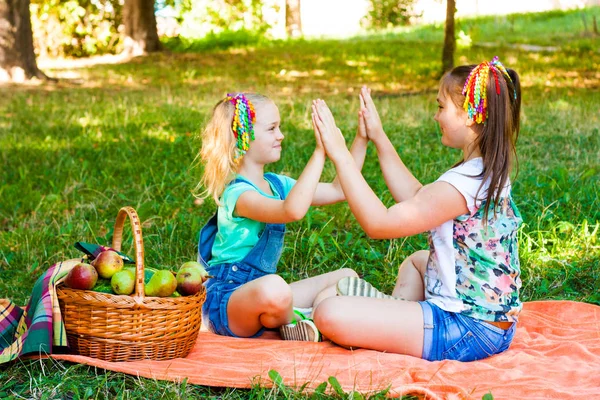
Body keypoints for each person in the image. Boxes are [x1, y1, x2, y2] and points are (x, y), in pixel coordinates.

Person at [311, 56, 523, 361]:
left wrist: (340, 155)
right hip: (492, 323)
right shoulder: (482, 172)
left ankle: (381, 316)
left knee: (329, 312)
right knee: (416, 261)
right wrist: (379, 137)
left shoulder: (463, 184)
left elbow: (379, 224)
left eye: (441, 107)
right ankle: (389, 315)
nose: (436, 116)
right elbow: (416, 196)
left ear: (469, 116)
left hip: (466, 328)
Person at [196, 92, 367, 341]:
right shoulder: (238, 195)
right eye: (272, 128)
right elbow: (292, 211)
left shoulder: (277, 185)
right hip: (228, 302)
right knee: (275, 288)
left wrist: (361, 138)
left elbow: (339, 189)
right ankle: (299, 322)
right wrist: (319, 153)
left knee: (346, 277)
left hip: (267, 296)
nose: (281, 135)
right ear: (244, 138)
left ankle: (302, 322)